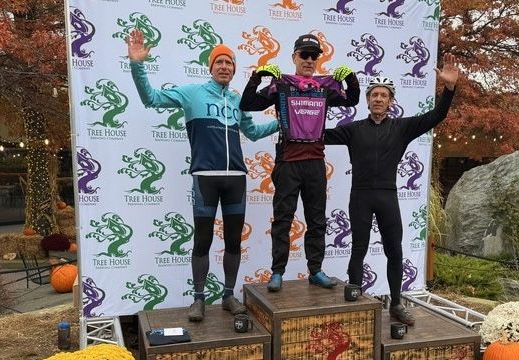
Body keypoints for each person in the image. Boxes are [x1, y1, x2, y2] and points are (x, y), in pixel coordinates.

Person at [126, 29, 279, 322]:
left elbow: (252, 132)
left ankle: (228, 295)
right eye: (219, 62)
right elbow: (151, 98)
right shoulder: (192, 93)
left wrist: (281, 123)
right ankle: (198, 299)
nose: (224, 67)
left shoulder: (237, 100)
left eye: (229, 63)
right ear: (210, 67)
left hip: (236, 177)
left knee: (233, 241)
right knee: (202, 240)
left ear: (234, 69)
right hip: (205, 177)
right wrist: (137, 64)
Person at [323, 54, 460, 325]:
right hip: (360, 196)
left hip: (387, 195)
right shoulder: (353, 130)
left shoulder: (402, 128)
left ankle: (396, 303)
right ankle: (356, 304)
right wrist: (299, 114)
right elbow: (318, 135)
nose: (378, 99)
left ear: (391, 101)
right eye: (374, 94)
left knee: (394, 251)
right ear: (367, 100)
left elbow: (437, 115)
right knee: (358, 249)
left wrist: (449, 88)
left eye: (384, 95)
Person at [240, 33, 360, 292]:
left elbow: (352, 99)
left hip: (315, 162)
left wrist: (351, 78)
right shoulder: (281, 85)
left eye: (314, 56)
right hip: (288, 162)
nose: (309, 60)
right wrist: (258, 76)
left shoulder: (325, 87)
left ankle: (315, 270)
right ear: (294, 57)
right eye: (304, 55)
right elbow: (248, 103)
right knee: (283, 220)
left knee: (317, 220)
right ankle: (277, 272)